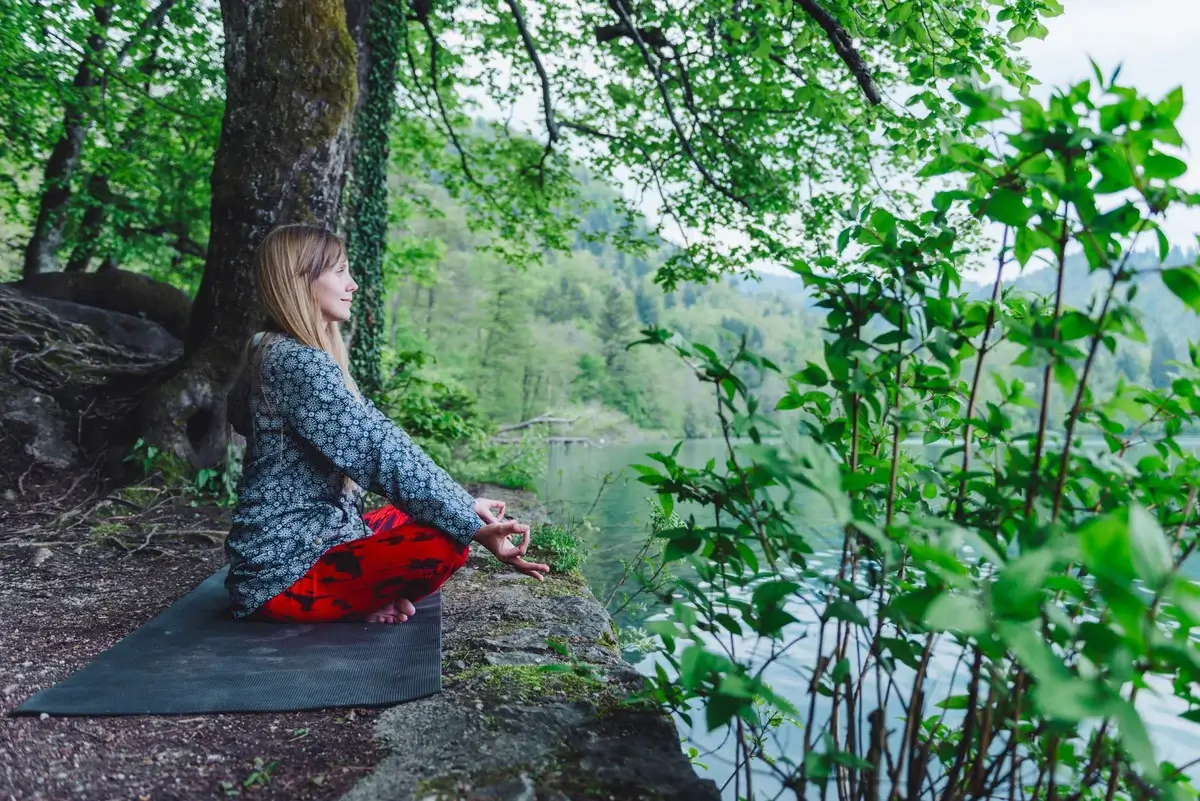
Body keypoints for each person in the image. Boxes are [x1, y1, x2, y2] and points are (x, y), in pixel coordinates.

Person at [224, 224, 549, 624]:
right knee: (446, 544)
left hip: (309, 538)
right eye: (340, 271)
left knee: (429, 517)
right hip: (282, 573)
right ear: (299, 280)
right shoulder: (297, 363)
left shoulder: (271, 348)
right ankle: (350, 601)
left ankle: (359, 597)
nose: (353, 284)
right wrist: (469, 524)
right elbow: (377, 453)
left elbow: (381, 434)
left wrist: (465, 505)